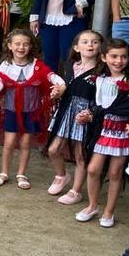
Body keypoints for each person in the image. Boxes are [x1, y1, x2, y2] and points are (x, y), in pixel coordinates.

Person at [0, 29, 65, 188]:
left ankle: (21, 174)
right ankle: (4, 172)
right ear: (9, 46)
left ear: (31, 46)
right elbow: (0, 83)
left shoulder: (37, 65)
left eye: (25, 44)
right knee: (9, 142)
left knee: (25, 144)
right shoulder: (6, 65)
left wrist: (60, 85)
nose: (21, 47)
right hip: (11, 111)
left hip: (31, 112)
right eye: (17, 44)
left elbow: (51, 76)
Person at [74, 39, 129, 228]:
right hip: (103, 130)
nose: (118, 61)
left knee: (115, 172)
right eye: (113, 56)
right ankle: (92, 205)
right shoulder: (100, 79)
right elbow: (101, 105)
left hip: (123, 133)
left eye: (123, 57)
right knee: (93, 169)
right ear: (104, 57)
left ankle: (109, 211)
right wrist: (88, 114)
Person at [45, 30, 102, 205]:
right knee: (53, 149)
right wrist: (58, 92)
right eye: (85, 42)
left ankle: (76, 191)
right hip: (66, 110)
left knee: (80, 155)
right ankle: (62, 176)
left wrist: (90, 113)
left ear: (101, 47)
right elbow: (65, 86)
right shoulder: (71, 65)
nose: (90, 45)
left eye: (94, 42)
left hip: (83, 115)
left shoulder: (102, 71)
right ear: (76, 47)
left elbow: (102, 98)